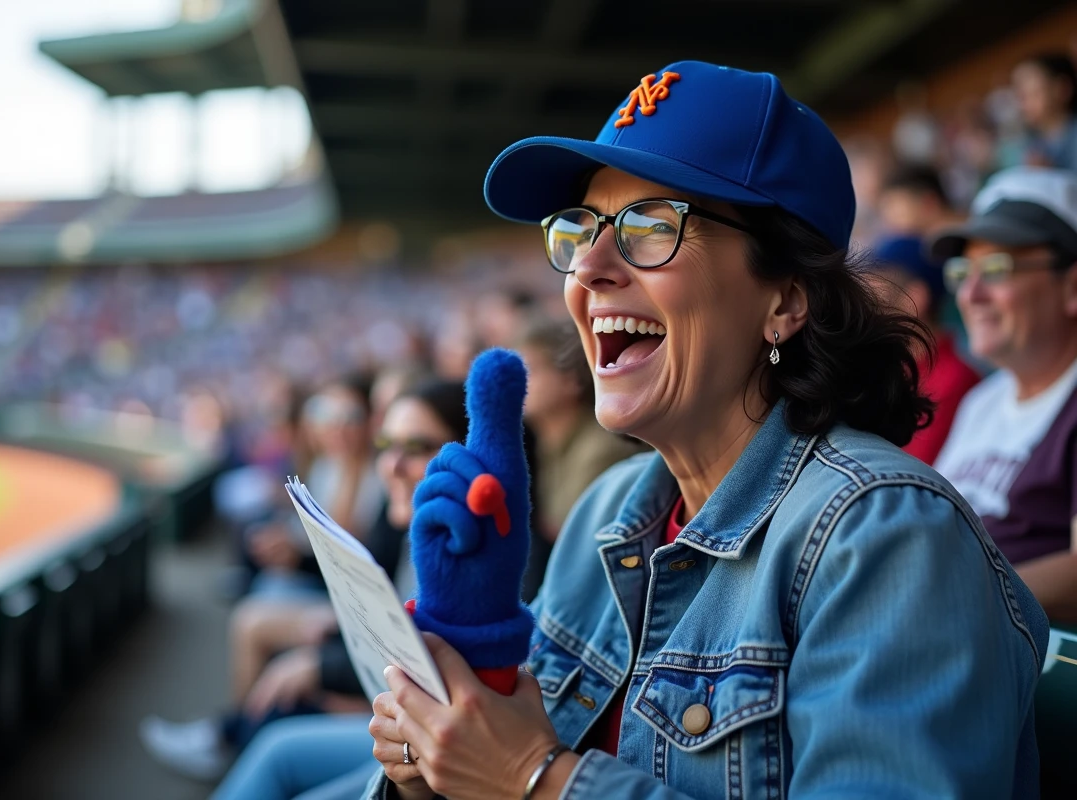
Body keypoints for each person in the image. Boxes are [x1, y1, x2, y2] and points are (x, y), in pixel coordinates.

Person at [367, 60, 1047, 800]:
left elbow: (525, 772)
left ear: (787, 299)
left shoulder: (888, 534)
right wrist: (435, 751)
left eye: (651, 226)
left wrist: (535, 780)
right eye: (580, 228)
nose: (589, 268)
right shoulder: (609, 508)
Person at [209, 378, 469, 800]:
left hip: (416, 727)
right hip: (386, 694)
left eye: (418, 447)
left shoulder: (470, 552)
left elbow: (432, 671)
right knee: (267, 612)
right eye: (388, 445)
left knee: (277, 740)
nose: (393, 464)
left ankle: (228, 738)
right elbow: (375, 597)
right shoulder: (402, 510)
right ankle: (228, 735)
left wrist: (322, 667)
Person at [932, 166, 1077, 623]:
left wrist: (935, 602)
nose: (971, 293)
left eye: (996, 269)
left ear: (1072, 286)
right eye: (962, 271)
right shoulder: (983, 402)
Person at [517, 318, 647, 592]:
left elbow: (573, 546)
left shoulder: (600, 451)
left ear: (571, 380)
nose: (518, 381)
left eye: (530, 370)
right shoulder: (545, 442)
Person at [864, 236, 980, 464]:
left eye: (878, 292)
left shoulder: (956, 379)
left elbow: (909, 469)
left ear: (915, 297)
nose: (867, 306)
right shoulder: (883, 371)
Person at [1011, 53, 1077, 171]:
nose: (1024, 105)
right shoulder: (1031, 145)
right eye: (1020, 97)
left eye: (1034, 94)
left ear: (1062, 89)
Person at [878, 164, 958, 239]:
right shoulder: (930, 245)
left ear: (929, 203)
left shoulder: (965, 240)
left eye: (895, 210)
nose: (890, 221)